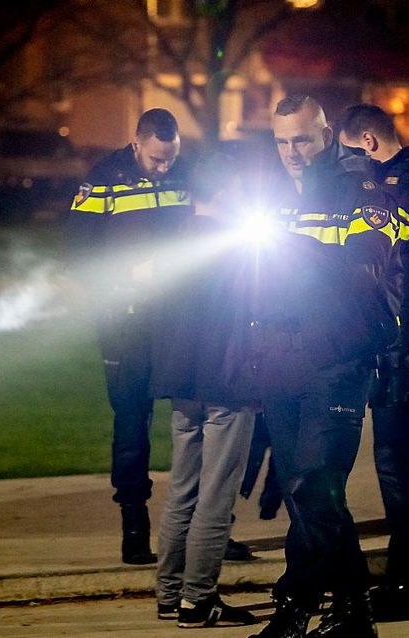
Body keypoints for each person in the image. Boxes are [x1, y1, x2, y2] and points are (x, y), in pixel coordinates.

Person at [248, 95, 396, 638]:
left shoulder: (361, 182)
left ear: (327, 132)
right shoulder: (269, 190)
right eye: (282, 141)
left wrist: (290, 248)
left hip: (339, 354)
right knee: (299, 488)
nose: (292, 152)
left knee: (316, 480)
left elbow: (366, 265)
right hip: (281, 354)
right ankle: (341, 611)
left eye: (302, 140)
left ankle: (313, 604)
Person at [338, 103, 409, 620]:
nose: (344, 163)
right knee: (399, 462)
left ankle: (408, 585)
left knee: (401, 464)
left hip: (404, 340)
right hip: (403, 336)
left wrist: (407, 336)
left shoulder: (404, 188)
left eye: (346, 151)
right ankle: (408, 578)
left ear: (366, 143)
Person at [67, 108, 193, 565]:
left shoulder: (187, 171)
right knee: (131, 418)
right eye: (157, 159)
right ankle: (134, 527)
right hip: (124, 318)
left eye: (171, 159)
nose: (165, 168)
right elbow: (79, 250)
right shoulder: (102, 178)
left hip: (177, 316)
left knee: (198, 414)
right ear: (136, 143)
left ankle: (204, 525)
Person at [148, 151, 261, 628]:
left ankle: (169, 594)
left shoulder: (172, 235)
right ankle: (199, 599)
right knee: (217, 494)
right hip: (227, 381)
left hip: (181, 379)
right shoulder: (240, 245)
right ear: (228, 189)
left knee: (181, 489)